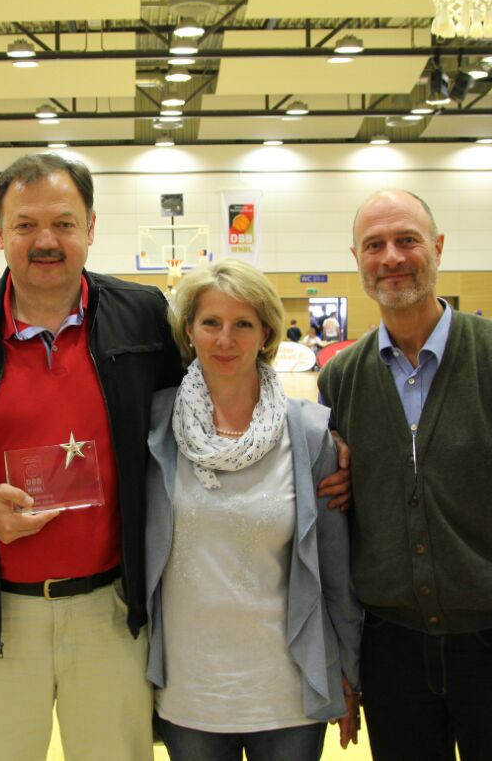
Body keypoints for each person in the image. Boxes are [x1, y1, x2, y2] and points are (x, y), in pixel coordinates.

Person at [0, 153, 355, 761]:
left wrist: (317, 443)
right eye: (25, 224)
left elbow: (213, 392)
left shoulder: (140, 316)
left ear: (90, 228)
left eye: (63, 222)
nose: (46, 240)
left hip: (112, 611)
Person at [317, 189, 492, 761]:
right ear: (356, 258)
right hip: (390, 652)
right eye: (375, 245)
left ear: (438, 248)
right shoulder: (340, 380)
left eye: (407, 240)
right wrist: (344, 661)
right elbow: (334, 531)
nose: (391, 257)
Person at [145, 260, 361, 760]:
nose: (226, 339)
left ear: (265, 331)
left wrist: (348, 669)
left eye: (243, 323)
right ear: (189, 331)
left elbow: (336, 566)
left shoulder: (308, 433)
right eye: (211, 323)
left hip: (286, 691)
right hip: (190, 690)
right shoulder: (155, 425)